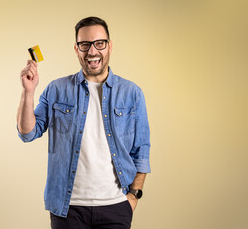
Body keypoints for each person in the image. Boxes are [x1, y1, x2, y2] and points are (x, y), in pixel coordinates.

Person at [17, 16, 151, 229]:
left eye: (99, 43)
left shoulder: (132, 93)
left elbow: (141, 150)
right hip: (67, 209)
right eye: (85, 45)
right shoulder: (56, 89)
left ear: (109, 46)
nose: (92, 51)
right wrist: (28, 92)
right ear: (76, 49)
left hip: (116, 207)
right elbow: (27, 133)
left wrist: (133, 196)